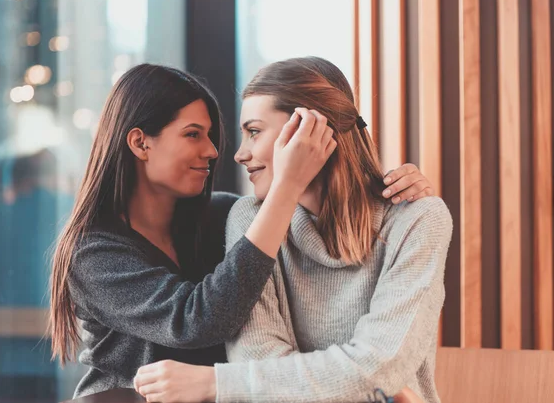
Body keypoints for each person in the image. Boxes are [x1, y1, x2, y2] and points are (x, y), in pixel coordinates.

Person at [49, 64, 435, 399]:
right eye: (193, 134)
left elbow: (321, 208)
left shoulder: (224, 214)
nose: (215, 151)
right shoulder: (92, 252)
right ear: (140, 142)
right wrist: (286, 185)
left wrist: (390, 190)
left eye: (212, 135)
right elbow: (195, 321)